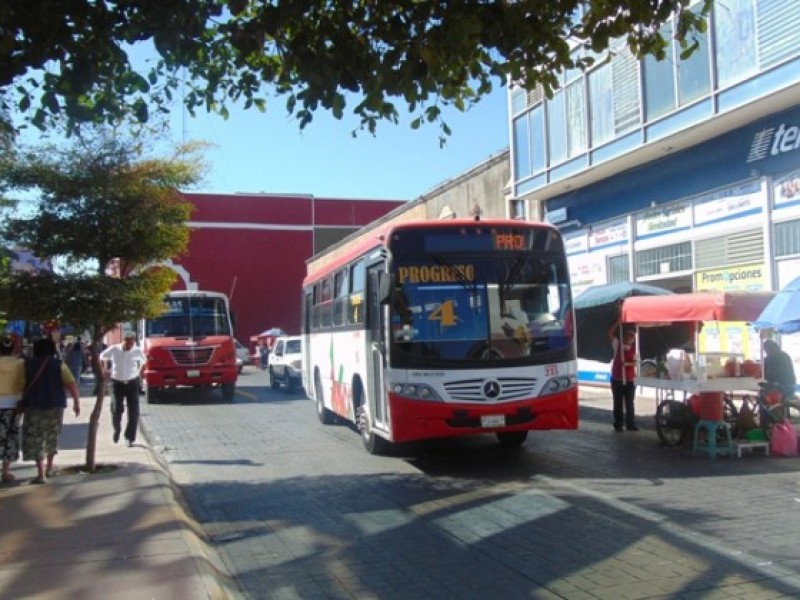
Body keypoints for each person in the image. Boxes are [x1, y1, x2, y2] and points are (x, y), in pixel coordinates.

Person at [20, 338, 80, 484]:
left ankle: (41, 474)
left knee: (35, 438)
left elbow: (21, 385)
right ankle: (50, 467)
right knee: (52, 435)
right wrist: (76, 403)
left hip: (34, 405)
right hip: (56, 405)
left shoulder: (27, 365)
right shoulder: (59, 365)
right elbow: (71, 384)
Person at [100, 332, 146, 447]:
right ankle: (117, 429)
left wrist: (140, 372)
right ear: (124, 341)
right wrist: (104, 370)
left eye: (132, 343)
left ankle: (129, 437)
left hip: (132, 382)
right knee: (117, 409)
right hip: (117, 383)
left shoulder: (137, 350)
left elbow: (144, 361)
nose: (130, 345)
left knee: (134, 412)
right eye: (128, 342)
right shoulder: (114, 349)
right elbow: (102, 357)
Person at [0, 333, 25, 483]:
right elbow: (22, 383)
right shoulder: (19, 363)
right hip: (13, 404)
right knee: (10, 436)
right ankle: (6, 472)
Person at [608, 322, 639, 432]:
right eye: (628, 336)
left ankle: (630, 423)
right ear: (625, 337)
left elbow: (635, 363)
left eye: (632, 337)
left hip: (630, 380)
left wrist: (626, 364)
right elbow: (610, 333)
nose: (630, 338)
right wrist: (617, 323)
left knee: (630, 403)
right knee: (618, 402)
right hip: (617, 379)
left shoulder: (635, 350)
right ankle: (618, 424)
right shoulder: (617, 345)